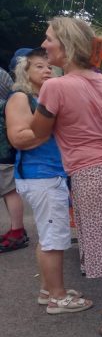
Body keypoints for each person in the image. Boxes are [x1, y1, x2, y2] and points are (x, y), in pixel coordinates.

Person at [14, 16, 102, 337]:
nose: (44, 44)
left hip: (90, 175)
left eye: (49, 38)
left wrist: (22, 130)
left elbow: (38, 132)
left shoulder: (55, 86)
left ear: (66, 45)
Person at [5, 47, 92, 313]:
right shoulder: (21, 98)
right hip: (41, 175)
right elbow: (18, 138)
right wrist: (49, 129)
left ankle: (48, 290)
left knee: (49, 236)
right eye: (38, 66)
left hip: (49, 175)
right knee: (54, 239)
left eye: (48, 66)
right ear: (24, 71)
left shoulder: (40, 97)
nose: (47, 70)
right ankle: (57, 297)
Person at [0, 63, 28, 253]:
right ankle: (16, 229)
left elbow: (7, 96)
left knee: (9, 188)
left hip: (3, 147)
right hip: (5, 144)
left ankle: (17, 231)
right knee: (7, 188)